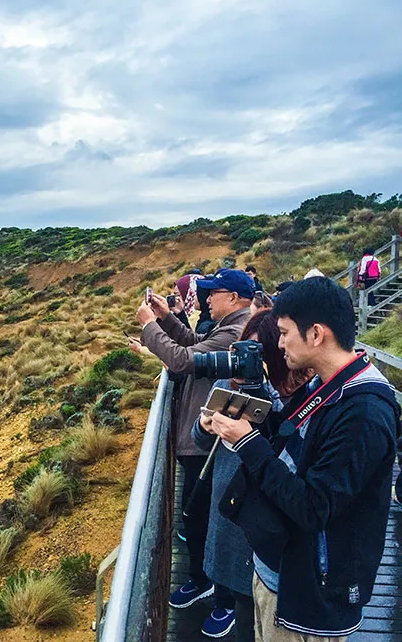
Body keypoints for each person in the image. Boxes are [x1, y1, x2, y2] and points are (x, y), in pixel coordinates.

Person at [204, 277, 400, 640]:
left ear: (316, 334)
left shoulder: (364, 412)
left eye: (284, 332)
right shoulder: (326, 384)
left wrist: (247, 442)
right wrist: (238, 417)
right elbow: (289, 443)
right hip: (278, 569)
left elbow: (314, 507)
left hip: (308, 596)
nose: (278, 344)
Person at [189, 310, 314, 639]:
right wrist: (205, 424)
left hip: (271, 514)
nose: (247, 362)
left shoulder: (301, 395)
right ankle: (223, 603)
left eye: (258, 353)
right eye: (245, 350)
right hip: (229, 506)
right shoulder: (227, 384)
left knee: (264, 605)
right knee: (240, 602)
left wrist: (268, 401)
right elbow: (198, 439)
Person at [137, 268, 256, 614]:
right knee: (199, 517)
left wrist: (149, 326)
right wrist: (169, 320)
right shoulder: (228, 326)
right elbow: (194, 346)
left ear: (233, 298)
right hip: (203, 435)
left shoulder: (236, 330)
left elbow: (182, 359)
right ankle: (205, 580)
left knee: (207, 519)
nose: (205, 298)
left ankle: (224, 594)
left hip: (211, 441)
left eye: (212, 292)